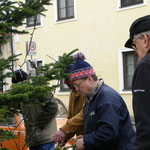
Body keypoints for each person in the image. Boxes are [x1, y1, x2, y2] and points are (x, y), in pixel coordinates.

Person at [70, 53, 135, 150]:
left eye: (78, 85)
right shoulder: (91, 97)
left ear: (90, 79)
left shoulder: (107, 99)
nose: (77, 89)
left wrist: (85, 141)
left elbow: (108, 133)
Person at [12, 69, 58, 150]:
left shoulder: (39, 90)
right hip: (33, 140)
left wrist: (40, 124)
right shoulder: (23, 95)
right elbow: (18, 106)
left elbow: (53, 106)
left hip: (45, 140)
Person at [125, 14, 150, 150]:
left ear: (145, 39)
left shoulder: (146, 65)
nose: (135, 52)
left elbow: (145, 122)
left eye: (135, 45)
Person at [54, 64, 85, 146]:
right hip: (81, 141)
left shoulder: (85, 92)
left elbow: (83, 114)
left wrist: (64, 130)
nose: (64, 82)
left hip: (89, 140)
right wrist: (66, 136)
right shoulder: (73, 92)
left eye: (67, 79)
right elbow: (72, 117)